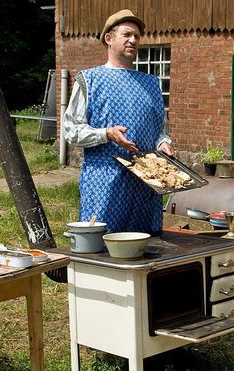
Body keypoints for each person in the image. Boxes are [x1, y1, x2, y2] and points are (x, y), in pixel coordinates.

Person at [63, 9, 173, 234]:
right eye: (127, 34)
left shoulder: (151, 83)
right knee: (101, 245)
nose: (133, 40)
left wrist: (163, 143)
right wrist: (107, 134)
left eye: (137, 36)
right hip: (105, 181)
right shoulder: (90, 80)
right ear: (109, 38)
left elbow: (160, 128)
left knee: (146, 245)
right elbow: (71, 131)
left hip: (146, 182)